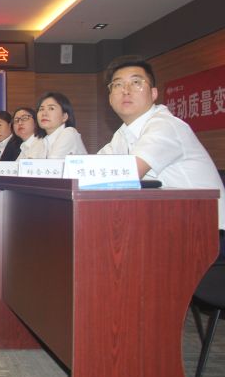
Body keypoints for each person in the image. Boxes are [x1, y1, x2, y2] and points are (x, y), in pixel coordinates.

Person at [98, 56, 224, 241]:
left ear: (154, 93)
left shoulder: (166, 125)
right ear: (110, 98)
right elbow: (95, 167)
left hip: (208, 232)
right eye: (117, 85)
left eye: (136, 83)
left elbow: (129, 173)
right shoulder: (123, 133)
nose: (126, 90)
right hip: (171, 224)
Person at [36, 92, 87, 158]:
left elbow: (52, 163)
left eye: (51, 108)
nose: (44, 114)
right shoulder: (43, 141)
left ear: (64, 117)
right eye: (41, 109)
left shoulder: (69, 133)